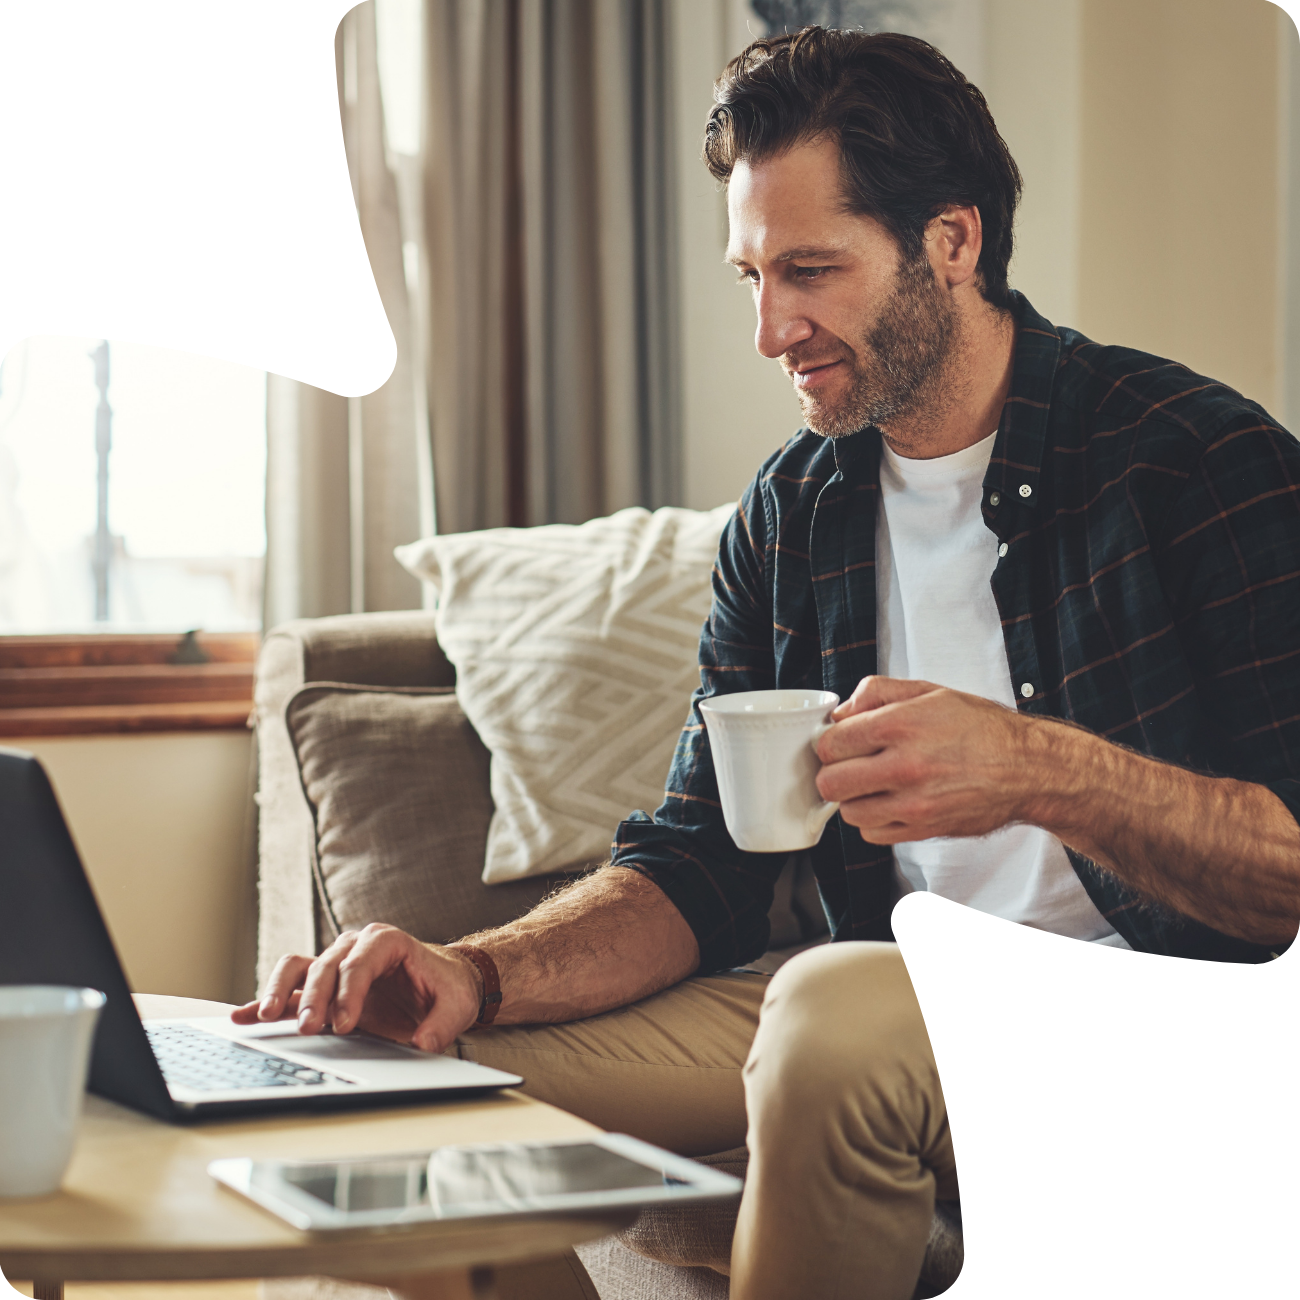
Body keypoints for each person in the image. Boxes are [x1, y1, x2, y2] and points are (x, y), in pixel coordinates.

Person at [235, 27, 1300, 1300]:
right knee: (407, 1096)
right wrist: (471, 972)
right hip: (865, 999)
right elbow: (697, 862)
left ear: (950, 242)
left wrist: (1034, 770)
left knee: (825, 1012)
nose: (767, 328)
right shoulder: (793, 514)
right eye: (749, 273)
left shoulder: (1197, 464)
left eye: (808, 270)